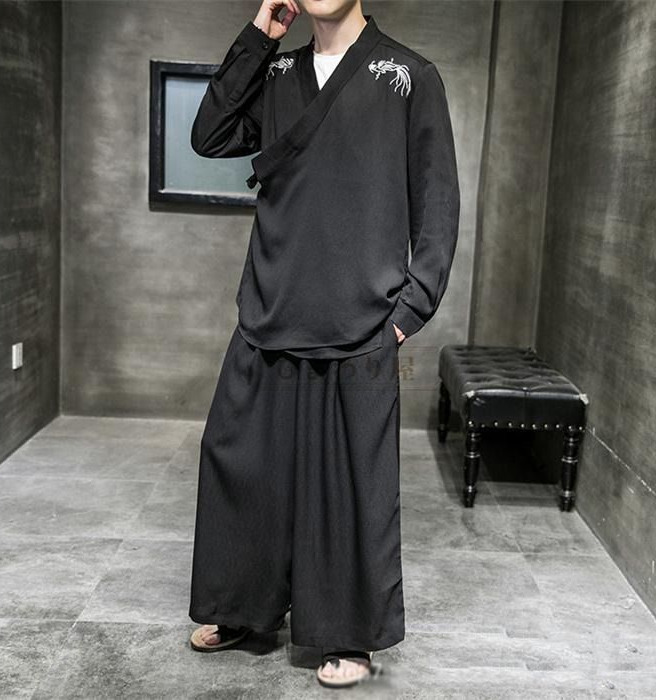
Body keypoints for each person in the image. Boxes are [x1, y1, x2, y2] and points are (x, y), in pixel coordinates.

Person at [187, 0, 460, 689]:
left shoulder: (408, 77)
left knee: (348, 490)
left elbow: (437, 207)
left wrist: (405, 314)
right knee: (244, 468)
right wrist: (259, 34)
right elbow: (209, 134)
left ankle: (346, 634)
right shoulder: (278, 74)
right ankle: (243, 610)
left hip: (358, 323)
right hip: (271, 308)